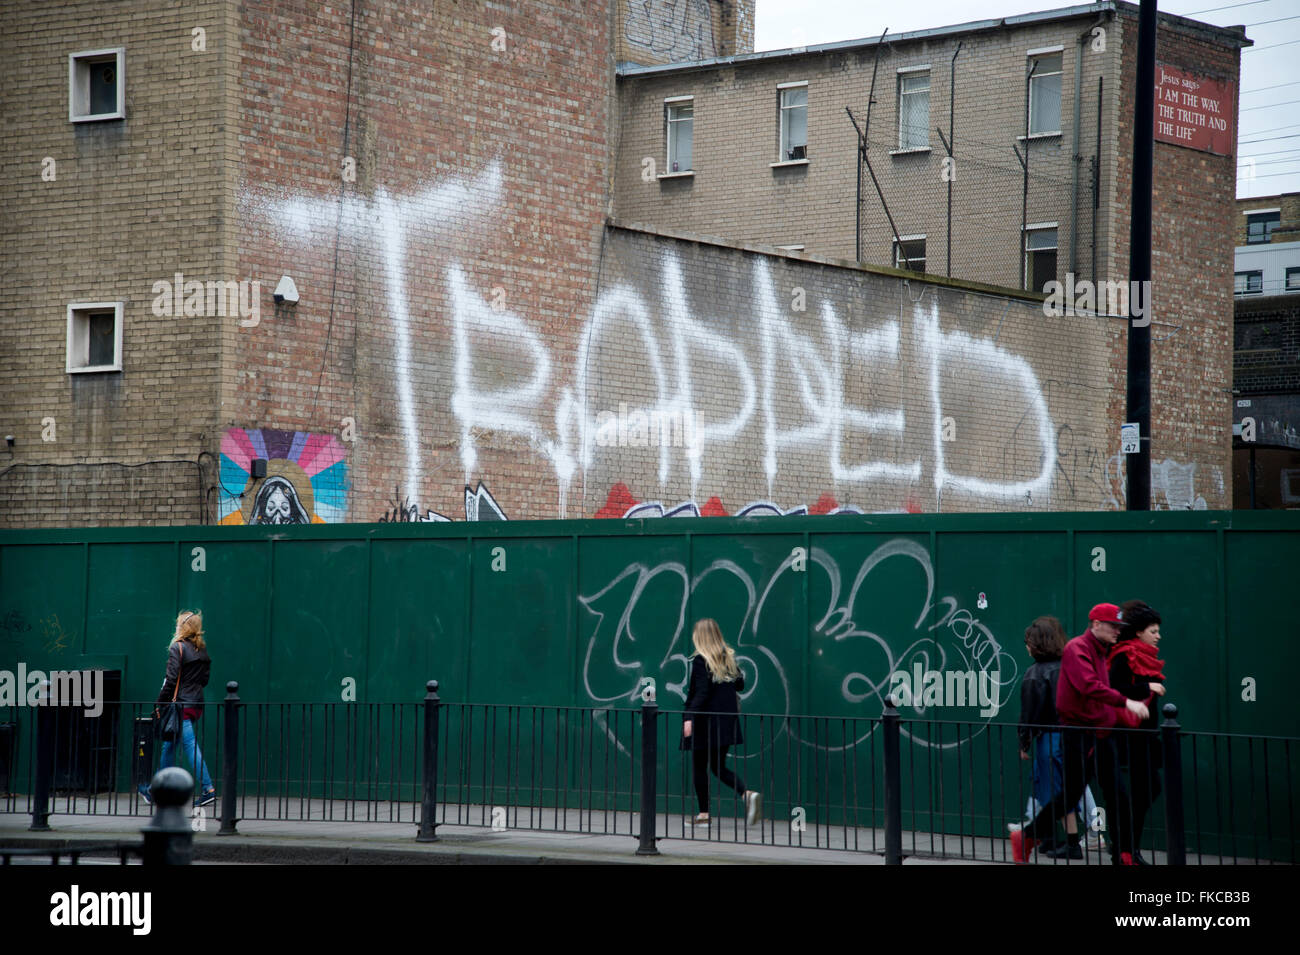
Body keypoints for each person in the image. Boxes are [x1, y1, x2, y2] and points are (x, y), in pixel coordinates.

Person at [1009, 603, 1148, 865]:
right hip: (1079, 735)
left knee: (1115, 794)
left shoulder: (1099, 651)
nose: (1117, 631)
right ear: (1096, 624)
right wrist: (1127, 703)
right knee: (1070, 795)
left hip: (1100, 734)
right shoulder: (1077, 649)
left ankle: (1124, 853)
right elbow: (1088, 686)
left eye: (1120, 627)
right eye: (1113, 626)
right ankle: (1028, 835)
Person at [1014, 616, 1088, 859]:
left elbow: (1029, 713)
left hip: (1050, 737)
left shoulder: (1035, 673)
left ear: (1036, 645)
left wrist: (1023, 742)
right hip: (1073, 734)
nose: (1026, 647)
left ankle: (1070, 842)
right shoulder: (1069, 666)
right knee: (1055, 786)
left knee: (1055, 789)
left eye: (1028, 642)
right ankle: (1052, 838)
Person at [680, 619, 761, 827]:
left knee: (700, 767)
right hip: (726, 722)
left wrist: (689, 717)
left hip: (705, 721)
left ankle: (704, 815)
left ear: (701, 637)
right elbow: (740, 685)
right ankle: (746, 793)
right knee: (718, 767)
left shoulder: (701, 660)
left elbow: (702, 692)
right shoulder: (728, 658)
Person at [1108, 600, 1166, 866]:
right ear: (1139, 631)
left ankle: (1126, 847)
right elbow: (1114, 690)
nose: (1158, 636)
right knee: (1140, 791)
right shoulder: (1123, 654)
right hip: (1128, 736)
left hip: (1145, 736)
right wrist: (1147, 687)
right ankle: (1126, 849)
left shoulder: (1146, 656)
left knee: (1148, 790)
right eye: (1153, 631)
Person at [139, 610, 215, 807]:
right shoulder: (202, 651)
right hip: (196, 704)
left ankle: (208, 788)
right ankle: (156, 790)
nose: (176, 627)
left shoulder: (177, 648)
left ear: (183, 627)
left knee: (190, 746)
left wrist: (160, 703)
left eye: (178, 623)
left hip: (180, 705)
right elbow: (204, 680)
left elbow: (171, 680)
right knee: (169, 745)